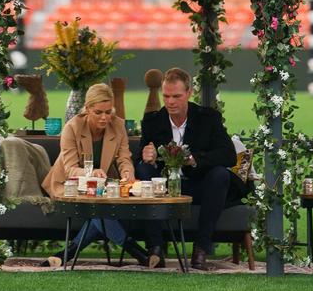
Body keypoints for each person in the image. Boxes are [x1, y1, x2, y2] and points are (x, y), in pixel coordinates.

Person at [135, 66, 247, 270]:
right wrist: (146, 156)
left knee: (220, 175)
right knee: (143, 171)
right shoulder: (153, 121)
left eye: (176, 96)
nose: (170, 102)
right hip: (165, 186)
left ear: (189, 93)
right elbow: (141, 157)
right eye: (166, 96)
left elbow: (228, 155)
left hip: (199, 184)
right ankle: (155, 249)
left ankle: (201, 249)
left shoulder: (208, 118)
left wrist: (196, 159)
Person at [42, 83, 154, 267]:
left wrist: (128, 172)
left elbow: (124, 158)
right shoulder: (72, 127)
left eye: (108, 112)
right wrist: (90, 173)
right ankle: (136, 251)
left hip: (101, 186)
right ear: (87, 109)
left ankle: (66, 254)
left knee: (99, 208)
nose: (104, 117)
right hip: (69, 184)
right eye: (98, 112)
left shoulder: (117, 125)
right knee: (100, 210)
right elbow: (70, 168)